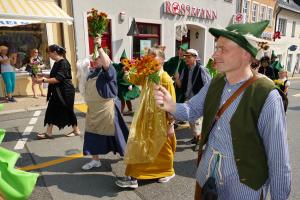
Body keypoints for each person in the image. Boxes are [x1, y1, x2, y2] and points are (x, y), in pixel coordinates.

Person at [154, 20, 291, 199]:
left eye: (223, 49)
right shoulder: (215, 82)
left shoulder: (266, 95)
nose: (214, 54)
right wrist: (171, 105)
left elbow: (278, 159)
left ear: (246, 54)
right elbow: (192, 109)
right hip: (207, 177)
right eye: (216, 47)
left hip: (243, 187)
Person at [115, 47, 176, 189]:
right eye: (148, 57)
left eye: (152, 57)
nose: (149, 59)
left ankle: (167, 171)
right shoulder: (149, 74)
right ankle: (134, 175)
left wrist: (171, 124)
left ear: (161, 60)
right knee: (140, 144)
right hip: (145, 117)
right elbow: (136, 78)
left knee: (161, 147)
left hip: (160, 120)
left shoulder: (165, 79)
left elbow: (171, 104)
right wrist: (127, 71)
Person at [81, 38, 129, 170]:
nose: (94, 60)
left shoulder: (109, 71)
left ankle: (129, 158)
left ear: (104, 59)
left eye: (97, 58)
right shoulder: (92, 73)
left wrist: (99, 46)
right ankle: (95, 160)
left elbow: (107, 62)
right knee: (91, 134)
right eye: (94, 58)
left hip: (107, 109)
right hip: (93, 110)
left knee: (117, 134)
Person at [35, 44, 80, 139]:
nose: (49, 55)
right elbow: (54, 76)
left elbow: (58, 79)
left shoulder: (63, 63)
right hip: (58, 90)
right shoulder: (57, 62)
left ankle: (76, 130)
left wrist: (43, 80)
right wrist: (42, 74)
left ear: (54, 52)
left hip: (65, 91)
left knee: (68, 110)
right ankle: (49, 132)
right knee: (51, 110)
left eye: (49, 53)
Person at [173, 49, 211, 148]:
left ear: (195, 58)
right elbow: (180, 85)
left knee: (197, 122)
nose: (186, 59)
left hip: (199, 100)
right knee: (191, 121)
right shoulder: (185, 69)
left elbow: (209, 85)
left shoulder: (201, 69)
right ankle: (196, 137)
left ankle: (200, 141)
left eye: (189, 57)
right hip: (189, 99)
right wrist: (176, 79)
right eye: (186, 57)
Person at [113, 50, 140, 115]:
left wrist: (131, 84)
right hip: (121, 86)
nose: (123, 61)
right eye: (122, 60)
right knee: (122, 99)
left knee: (127, 99)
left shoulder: (129, 66)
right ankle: (121, 112)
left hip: (127, 86)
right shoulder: (118, 66)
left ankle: (129, 110)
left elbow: (133, 76)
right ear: (120, 60)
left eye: (125, 60)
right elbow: (112, 65)